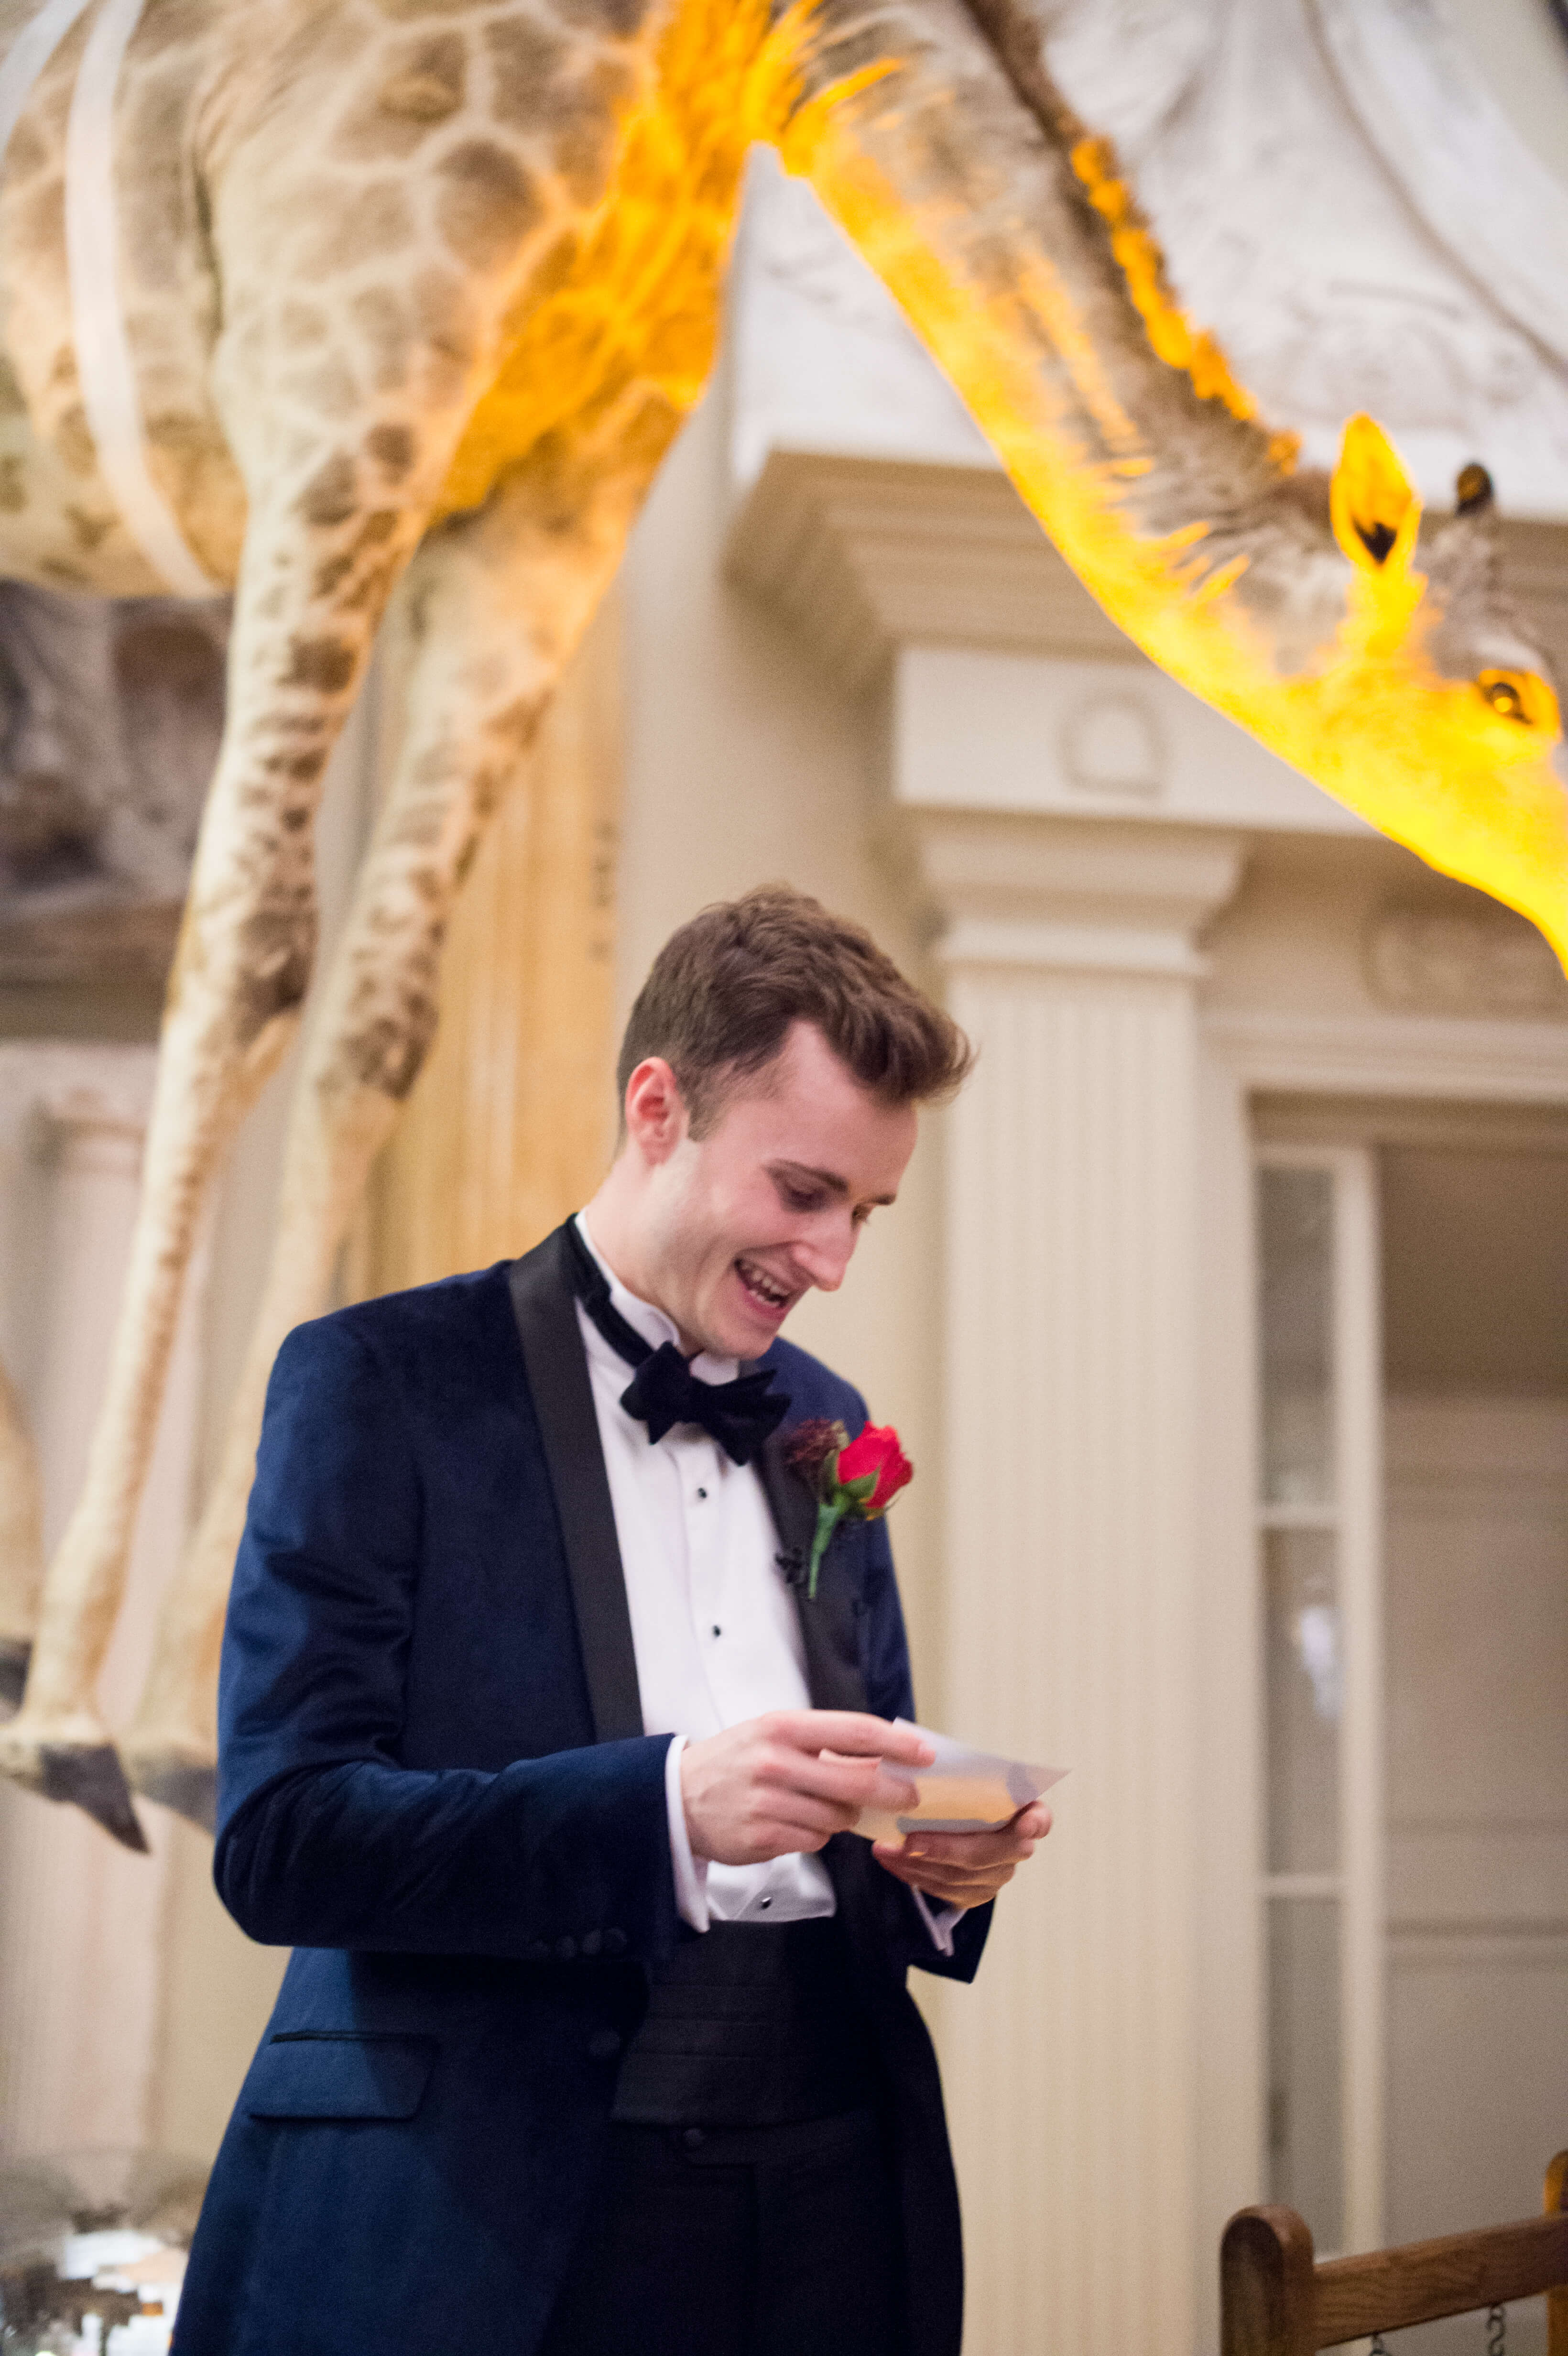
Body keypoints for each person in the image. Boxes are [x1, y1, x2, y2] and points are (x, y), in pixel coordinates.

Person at [175, 885, 1052, 2356]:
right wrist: (661, 1807)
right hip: (507, 2204)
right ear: (659, 1107)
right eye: (803, 1193)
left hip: (833, 2190)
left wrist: (938, 1861)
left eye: (866, 1212)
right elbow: (285, 1841)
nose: (833, 1261)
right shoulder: (377, 1383)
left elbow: (862, 1765)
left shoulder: (824, 1424)